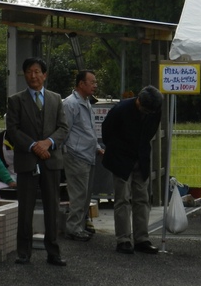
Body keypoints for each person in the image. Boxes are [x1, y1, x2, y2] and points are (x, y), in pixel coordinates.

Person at [6, 57, 69, 266]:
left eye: (37, 72)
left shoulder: (55, 99)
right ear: (24, 75)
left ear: (44, 75)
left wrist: (48, 143)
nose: (33, 76)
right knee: (26, 207)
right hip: (27, 161)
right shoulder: (15, 100)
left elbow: (63, 128)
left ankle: (54, 251)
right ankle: (23, 251)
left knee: (53, 206)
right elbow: (13, 130)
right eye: (29, 72)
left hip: (51, 160)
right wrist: (34, 145)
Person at [102, 85, 163, 254]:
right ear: (138, 101)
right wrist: (118, 149)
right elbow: (106, 132)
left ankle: (142, 238)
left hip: (141, 158)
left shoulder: (155, 109)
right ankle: (123, 239)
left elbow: (151, 131)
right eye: (146, 110)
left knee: (142, 199)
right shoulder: (121, 109)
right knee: (122, 199)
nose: (148, 113)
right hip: (121, 158)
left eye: (151, 111)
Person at [63, 70, 104, 242]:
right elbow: (65, 130)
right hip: (76, 154)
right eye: (92, 82)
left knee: (85, 194)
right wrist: (68, 149)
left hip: (87, 154)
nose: (95, 85)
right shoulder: (70, 103)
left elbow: (87, 129)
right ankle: (73, 228)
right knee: (79, 194)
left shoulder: (85, 102)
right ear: (81, 84)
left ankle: (80, 225)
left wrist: (96, 146)